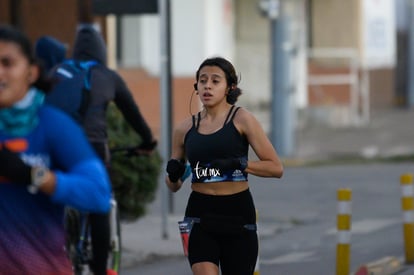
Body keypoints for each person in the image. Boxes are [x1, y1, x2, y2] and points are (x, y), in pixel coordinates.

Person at [38, 25, 157, 275]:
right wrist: (148, 141)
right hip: (91, 148)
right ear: (102, 50)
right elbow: (132, 114)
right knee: (100, 204)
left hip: (54, 145)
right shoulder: (108, 76)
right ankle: (101, 269)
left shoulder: (55, 71)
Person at [0, 24, 111, 274]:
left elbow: (98, 194)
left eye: (7, 63)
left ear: (31, 72)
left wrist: (34, 176)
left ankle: (100, 267)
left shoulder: (51, 124)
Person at [165, 56, 284, 275]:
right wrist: (173, 175)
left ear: (230, 87)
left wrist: (241, 164)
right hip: (199, 215)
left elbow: (276, 168)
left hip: (237, 215)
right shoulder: (184, 129)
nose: (207, 85)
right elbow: (174, 185)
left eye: (215, 80)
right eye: (202, 80)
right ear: (196, 87)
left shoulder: (242, 119)